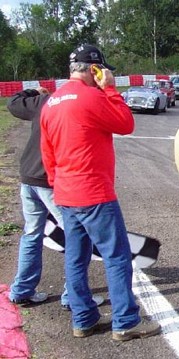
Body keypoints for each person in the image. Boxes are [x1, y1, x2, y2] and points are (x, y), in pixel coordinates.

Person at [40, 44, 161, 341]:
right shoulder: (92, 96)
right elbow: (126, 123)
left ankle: (83, 320)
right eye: (101, 71)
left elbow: (48, 155)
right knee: (117, 257)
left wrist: (60, 184)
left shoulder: (52, 102)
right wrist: (110, 89)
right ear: (93, 69)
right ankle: (125, 322)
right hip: (94, 193)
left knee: (76, 258)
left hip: (66, 194)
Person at [7, 88, 104, 310]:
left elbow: (13, 103)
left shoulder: (44, 101)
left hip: (29, 176)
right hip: (52, 180)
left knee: (32, 233)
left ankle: (21, 290)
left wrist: (34, 91)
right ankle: (73, 296)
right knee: (78, 237)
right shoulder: (79, 105)